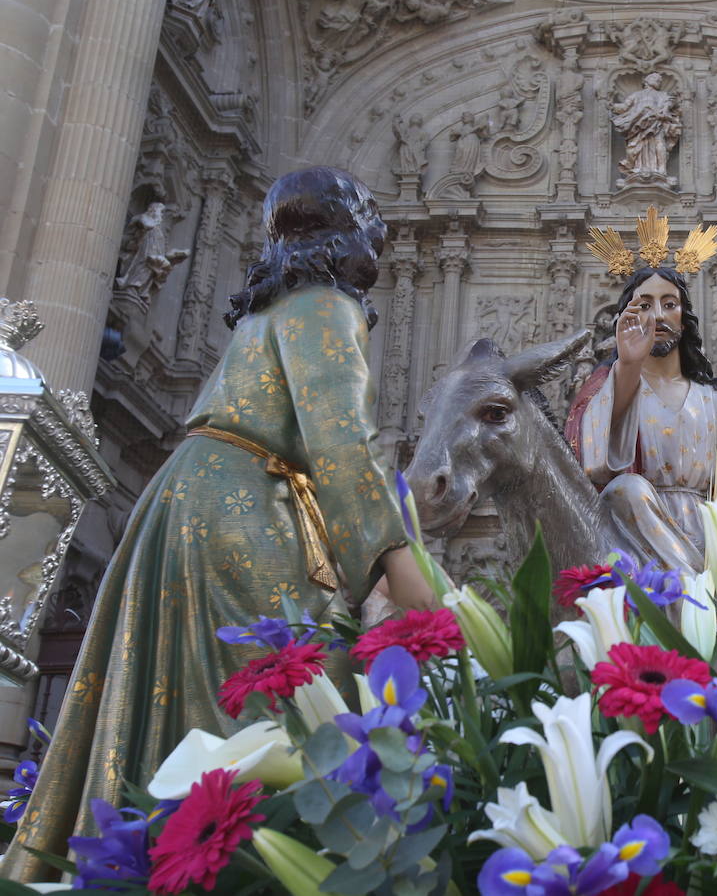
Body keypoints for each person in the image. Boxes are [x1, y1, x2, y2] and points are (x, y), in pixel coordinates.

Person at [3, 167, 437, 880]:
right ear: (350, 227)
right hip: (248, 505)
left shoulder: (275, 308)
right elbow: (338, 437)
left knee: (202, 681)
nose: (383, 233)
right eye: (372, 216)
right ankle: (247, 867)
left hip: (195, 493)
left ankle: (145, 859)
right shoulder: (326, 303)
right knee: (289, 682)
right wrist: (397, 557)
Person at [566, 219, 717, 573]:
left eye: (668, 303)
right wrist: (628, 365)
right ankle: (687, 587)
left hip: (709, 535)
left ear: (684, 317)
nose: (656, 315)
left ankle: (700, 590)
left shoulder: (716, 402)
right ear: (624, 319)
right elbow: (594, 464)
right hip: (633, 537)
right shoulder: (611, 387)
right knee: (627, 489)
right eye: (643, 305)